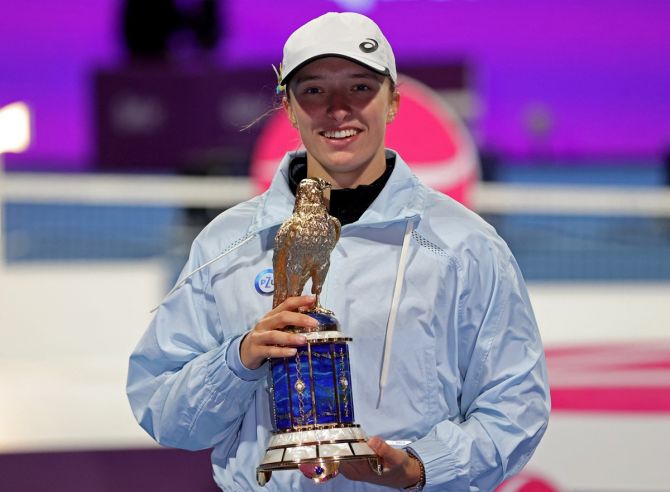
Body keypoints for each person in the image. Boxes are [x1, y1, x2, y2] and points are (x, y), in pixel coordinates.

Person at [127, 12, 550, 491]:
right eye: (313, 91)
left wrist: (421, 467)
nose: (337, 109)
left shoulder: (465, 246)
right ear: (287, 106)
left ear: (393, 101)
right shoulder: (228, 243)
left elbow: (516, 407)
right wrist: (238, 360)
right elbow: (160, 408)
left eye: (360, 88)